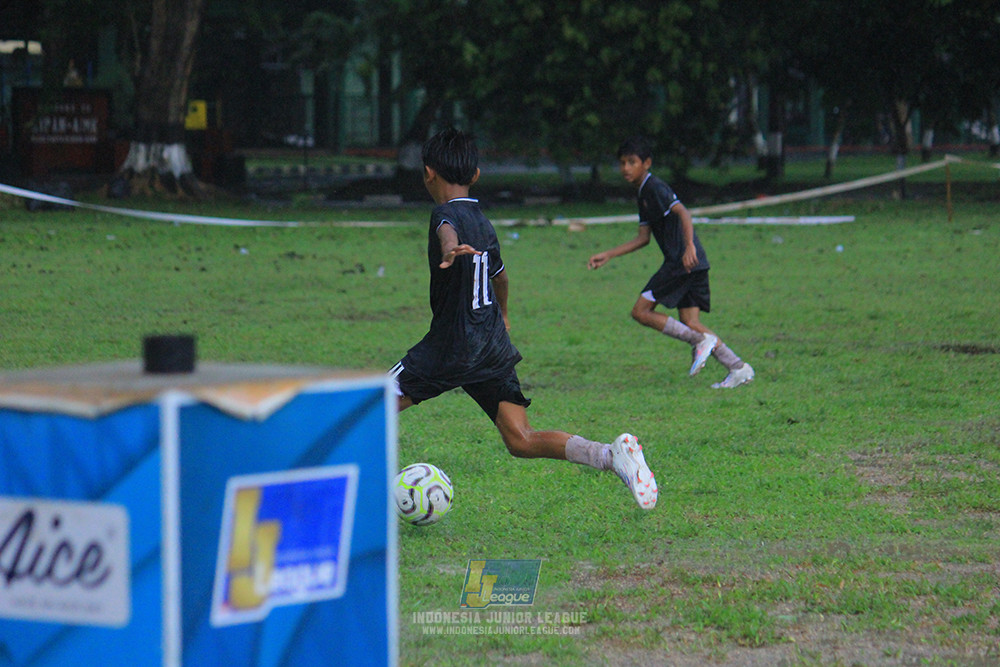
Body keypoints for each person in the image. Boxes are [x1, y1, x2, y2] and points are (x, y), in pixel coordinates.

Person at [390, 127, 657, 509]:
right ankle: (611, 456)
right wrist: (503, 314)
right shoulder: (483, 221)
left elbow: (447, 231)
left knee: (369, 406)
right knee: (521, 439)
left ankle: (327, 489)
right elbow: (501, 277)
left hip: (450, 345)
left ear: (428, 173)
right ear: (476, 175)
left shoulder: (444, 215)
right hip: (491, 344)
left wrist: (450, 249)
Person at [588, 136, 754, 389]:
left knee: (640, 311)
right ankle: (738, 367)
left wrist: (688, 247)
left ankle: (700, 342)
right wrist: (609, 254)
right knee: (692, 322)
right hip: (693, 263)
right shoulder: (643, 193)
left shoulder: (655, 187)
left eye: (632, 162)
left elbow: (683, 212)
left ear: (647, 163)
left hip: (682, 262)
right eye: (622, 163)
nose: (625, 168)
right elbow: (643, 238)